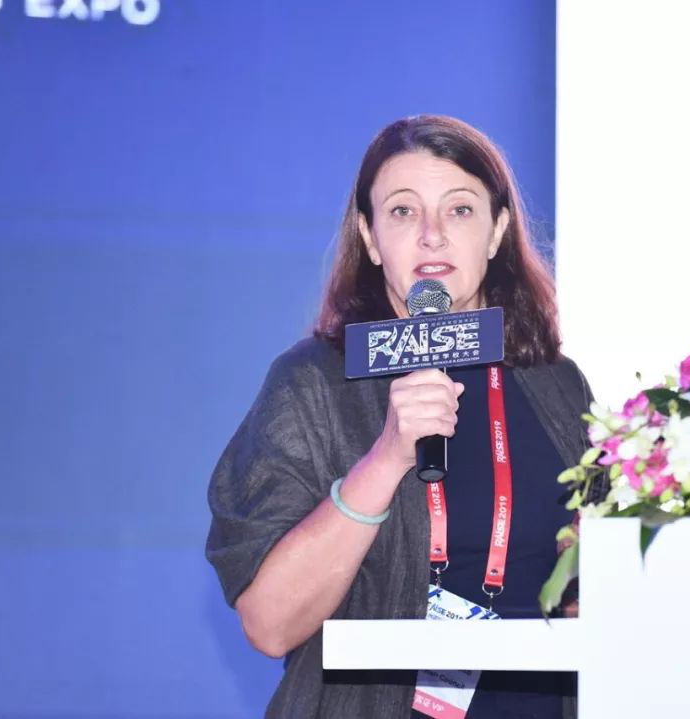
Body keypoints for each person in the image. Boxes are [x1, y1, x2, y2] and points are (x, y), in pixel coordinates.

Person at [205, 114, 593, 718]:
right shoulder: (316, 381)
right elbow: (269, 624)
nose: (432, 236)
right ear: (369, 236)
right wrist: (387, 458)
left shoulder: (554, 382)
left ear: (496, 231)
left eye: (460, 210)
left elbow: (586, 589)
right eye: (403, 211)